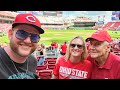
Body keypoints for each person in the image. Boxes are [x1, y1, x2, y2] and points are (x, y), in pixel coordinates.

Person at [0, 13, 44, 79]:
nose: (28, 41)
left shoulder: (33, 61)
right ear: (10, 34)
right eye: (21, 33)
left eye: (34, 36)